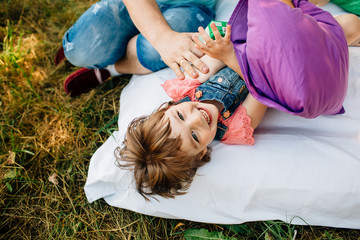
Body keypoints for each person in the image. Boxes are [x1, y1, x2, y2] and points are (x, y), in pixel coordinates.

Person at [116, 0, 354, 199]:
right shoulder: (235, 128)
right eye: (195, 136)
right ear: (200, 153)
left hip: (248, 40)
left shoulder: (186, 87)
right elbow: (263, 91)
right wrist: (230, 56)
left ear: (168, 107)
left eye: (180, 115)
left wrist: (222, 51)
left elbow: (214, 54)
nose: (196, 118)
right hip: (273, 65)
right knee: (348, 26)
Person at [59, 0, 217, 97]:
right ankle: (109, 47)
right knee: (80, 50)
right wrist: (162, 36)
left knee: (152, 51)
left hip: (190, 5)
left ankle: (113, 68)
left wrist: (162, 40)